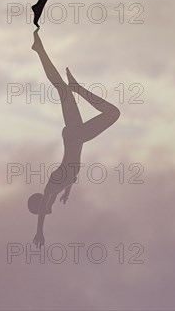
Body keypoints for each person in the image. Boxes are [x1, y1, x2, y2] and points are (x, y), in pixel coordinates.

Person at [28, 29, 121, 247]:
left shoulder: (49, 189)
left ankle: (41, 52)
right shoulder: (57, 189)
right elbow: (72, 174)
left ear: (40, 203)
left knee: (111, 113)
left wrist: (40, 232)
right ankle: (44, 55)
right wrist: (67, 192)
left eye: (41, 209)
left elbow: (43, 209)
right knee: (63, 90)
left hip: (75, 138)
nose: (45, 212)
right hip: (74, 137)